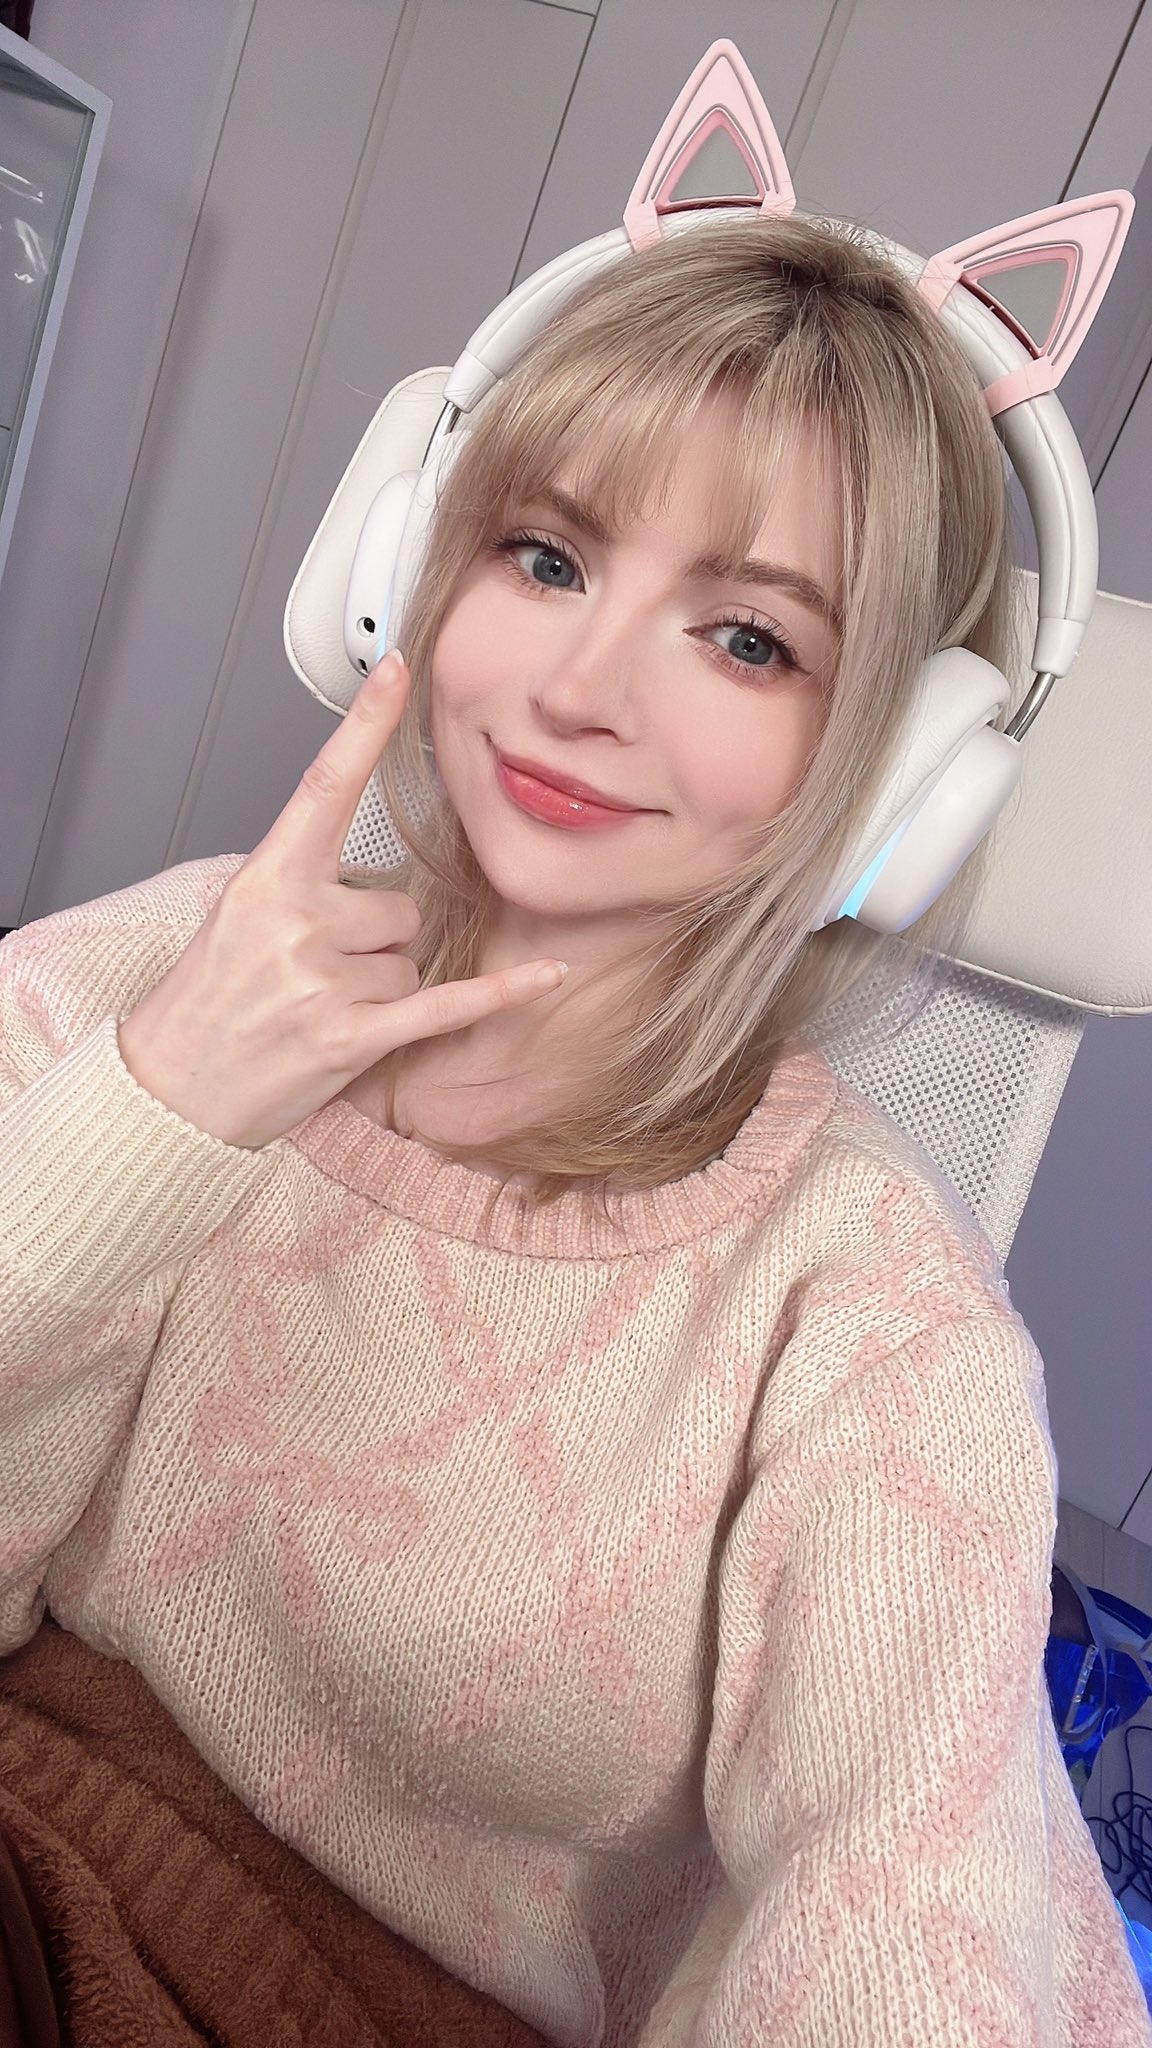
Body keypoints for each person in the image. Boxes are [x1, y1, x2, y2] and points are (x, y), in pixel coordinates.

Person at [2, 210, 1149, 2047]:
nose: (579, 688)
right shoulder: (174, 970)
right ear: (413, 565)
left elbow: (906, 1907)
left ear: (898, 769)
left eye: (748, 639)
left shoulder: (872, 1324)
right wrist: (154, 1114)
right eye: (544, 556)